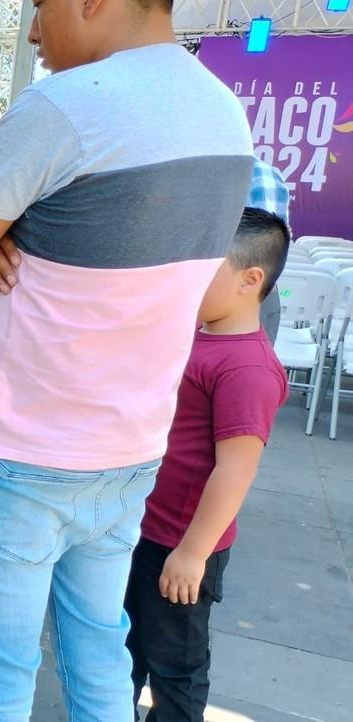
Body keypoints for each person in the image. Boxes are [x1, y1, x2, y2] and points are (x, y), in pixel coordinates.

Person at [0, 0, 255, 717]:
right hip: (128, 451)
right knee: (101, 654)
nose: (36, 32)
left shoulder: (65, 106)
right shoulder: (226, 113)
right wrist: (18, 243)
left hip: (18, 452)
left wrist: (3, 247)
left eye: (39, 10)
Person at [124, 203, 288, 722]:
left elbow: (236, 468)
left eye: (203, 271)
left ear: (250, 279)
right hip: (144, 529)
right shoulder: (200, 334)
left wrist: (193, 553)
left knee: (175, 667)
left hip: (183, 544)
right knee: (127, 650)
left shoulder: (248, 368)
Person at [248, 160, 291, 344]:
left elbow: (266, 249)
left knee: (247, 369)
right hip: (193, 293)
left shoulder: (258, 175)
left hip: (248, 298)